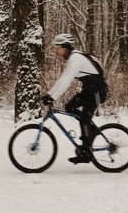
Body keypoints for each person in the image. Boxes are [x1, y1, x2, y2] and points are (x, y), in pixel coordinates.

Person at [40, 33, 107, 164]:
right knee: (70, 107)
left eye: (58, 47)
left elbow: (67, 80)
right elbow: (62, 79)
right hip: (89, 91)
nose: (56, 50)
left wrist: (52, 97)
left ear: (65, 47)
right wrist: (49, 94)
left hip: (96, 92)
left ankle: (87, 153)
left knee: (84, 118)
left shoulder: (76, 59)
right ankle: (90, 129)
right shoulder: (74, 58)